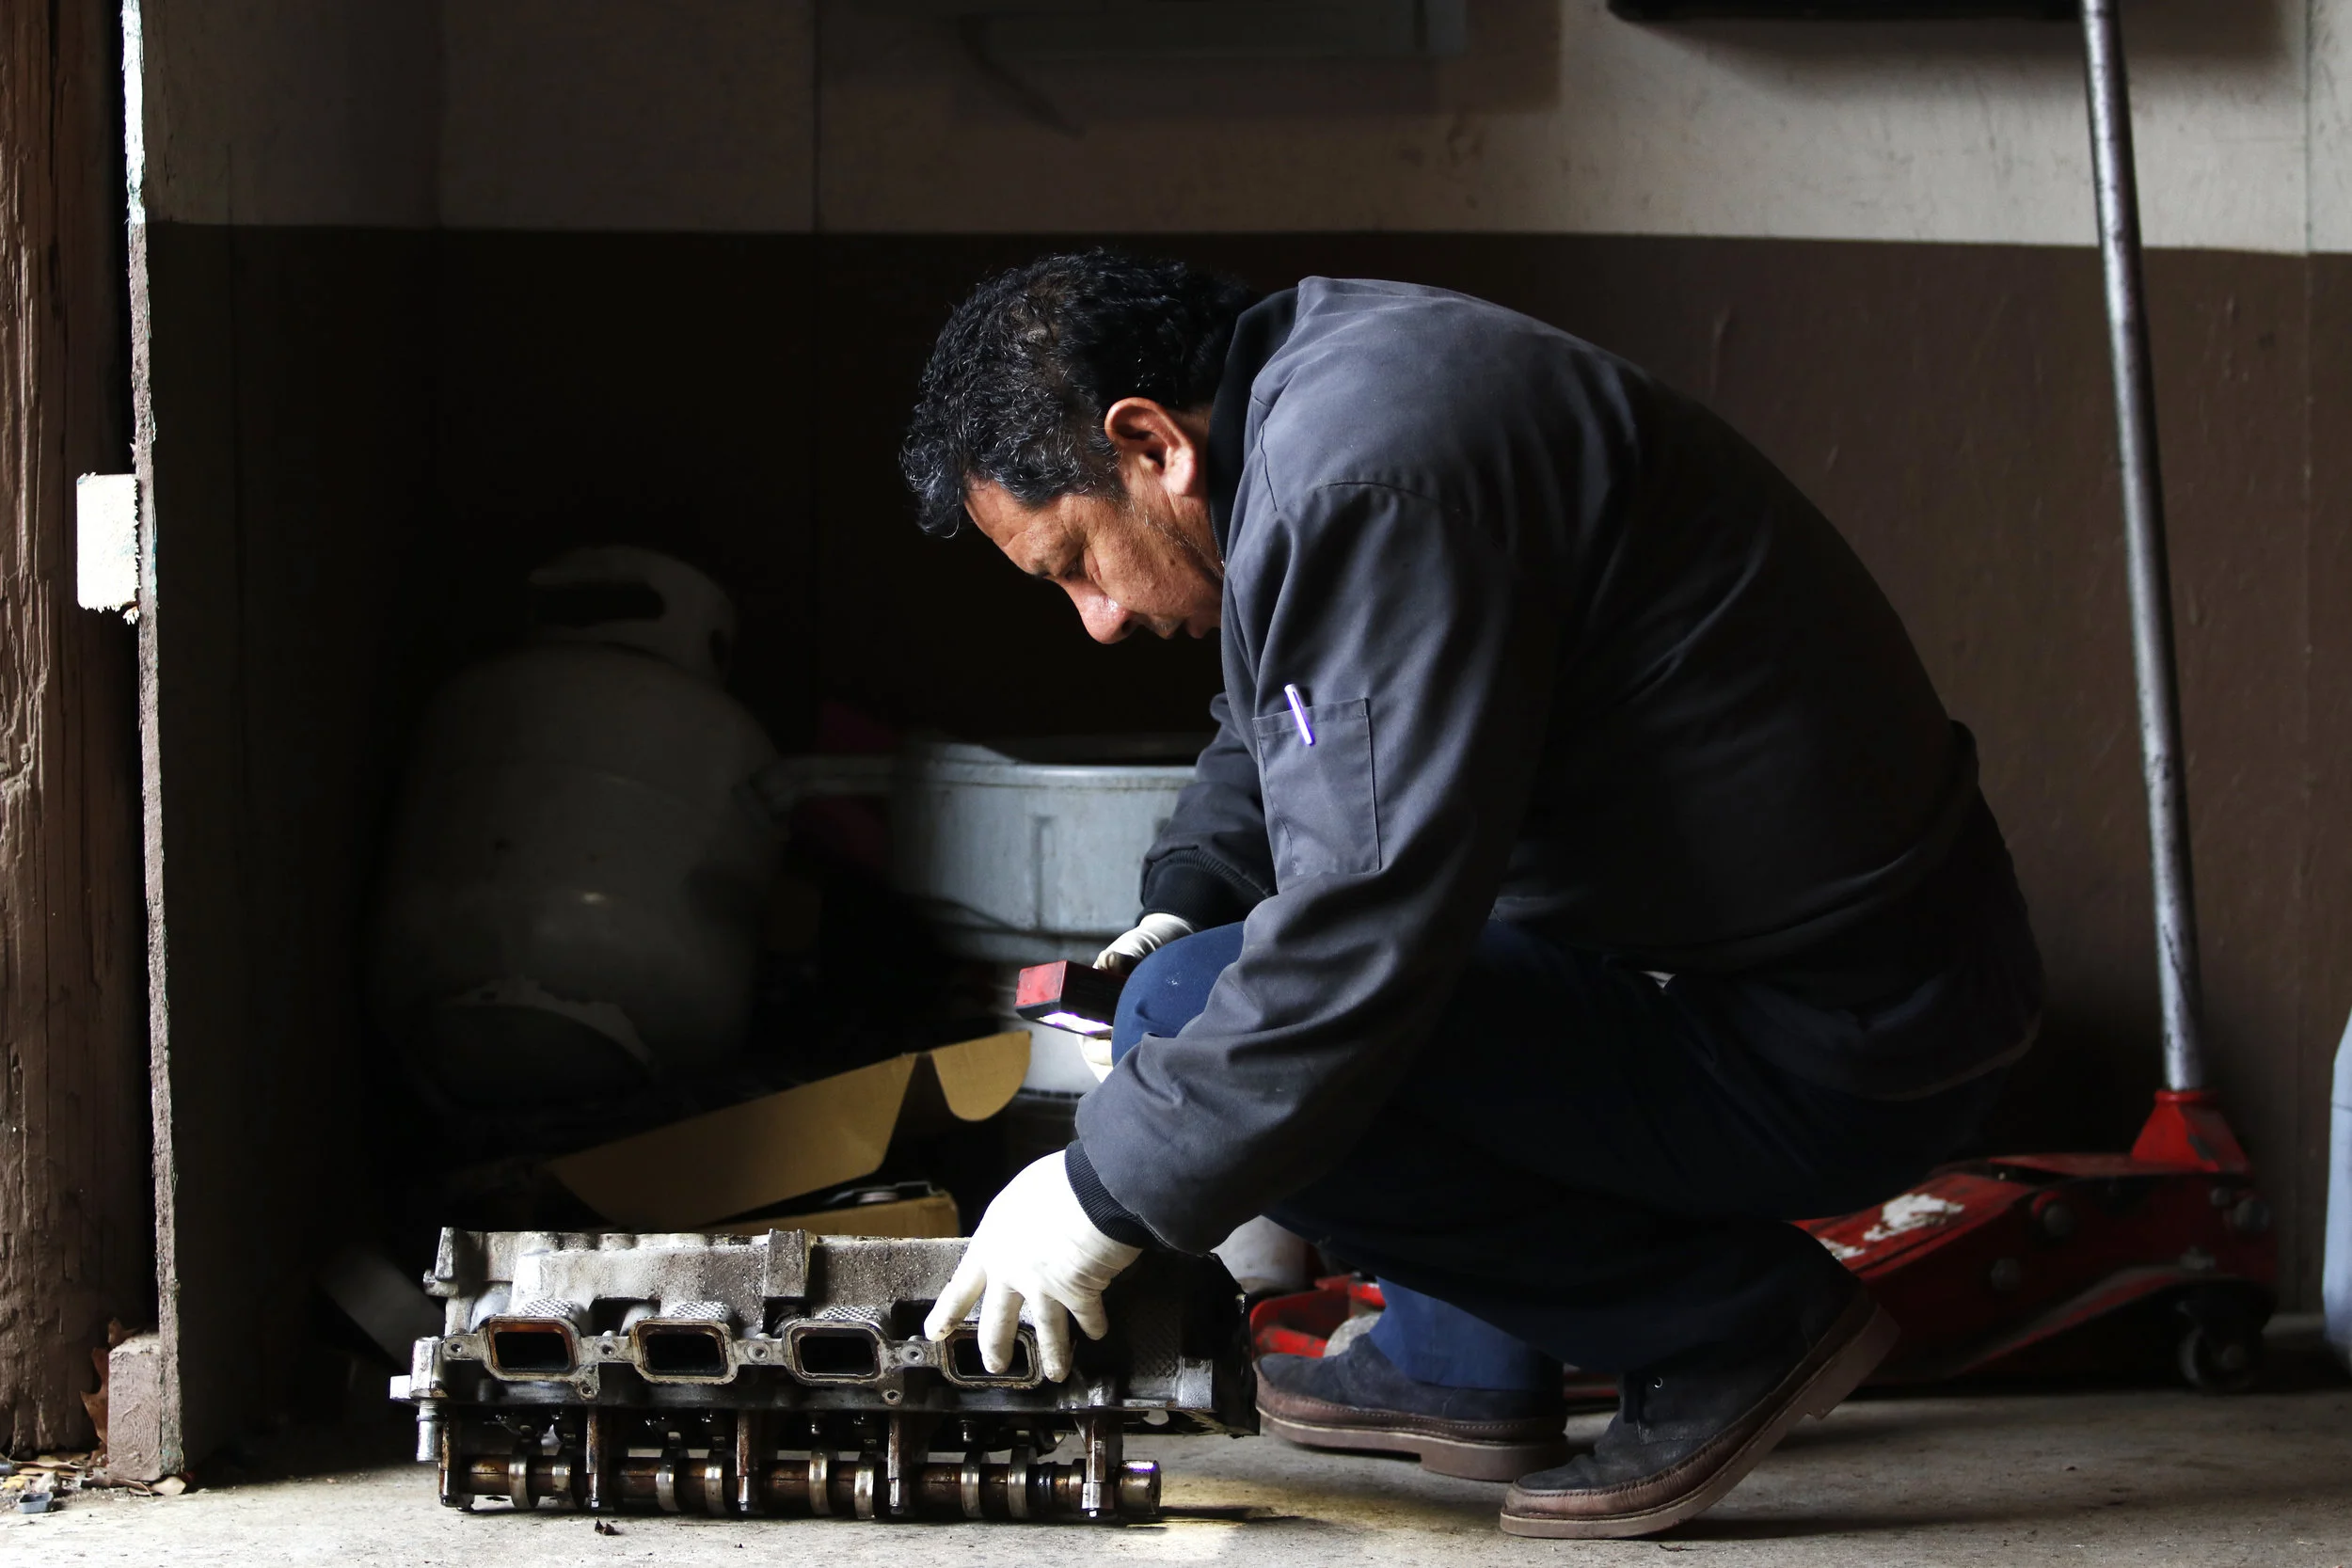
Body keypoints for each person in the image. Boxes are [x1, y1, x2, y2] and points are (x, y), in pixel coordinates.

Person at [907, 252, 2042, 1539]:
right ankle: (1470, 1348)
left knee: (1210, 1014)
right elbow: (1297, 716)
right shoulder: (1318, 400)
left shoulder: (1356, 480)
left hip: (1846, 1031)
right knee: (1207, 975)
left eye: (1076, 563)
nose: (1097, 618)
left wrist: (1097, 1188)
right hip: (1809, 977)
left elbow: (1360, 941)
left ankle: (1736, 1326)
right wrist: (1189, 891)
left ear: (1150, 442)